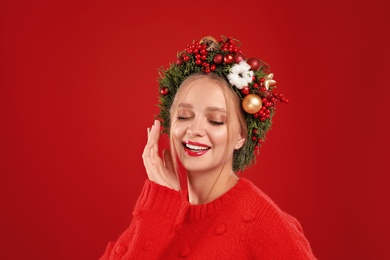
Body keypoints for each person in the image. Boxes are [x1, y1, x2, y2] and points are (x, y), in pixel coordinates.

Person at [100, 35, 317, 259]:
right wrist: (159, 203)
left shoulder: (263, 221)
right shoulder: (159, 212)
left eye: (215, 120)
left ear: (241, 136)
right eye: (183, 116)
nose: (195, 130)